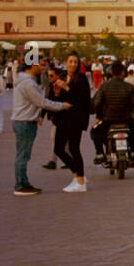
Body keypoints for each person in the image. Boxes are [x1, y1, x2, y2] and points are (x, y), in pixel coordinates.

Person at [12, 58, 72, 195]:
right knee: (23, 155)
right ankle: (20, 185)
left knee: (22, 154)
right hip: (25, 122)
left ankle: (23, 182)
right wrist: (62, 106)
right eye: (40, 64)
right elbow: (42, 102)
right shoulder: (28, 83)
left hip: (21, 120)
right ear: (32, 66)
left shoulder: (24, 80)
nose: (42, 67)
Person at [48, 52, 92, 192]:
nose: (73, 64)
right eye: (70, 61)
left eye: (75, 62)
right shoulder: (61, 76)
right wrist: (56, 92)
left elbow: (81, 99)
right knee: (58, 149)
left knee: (74, 148)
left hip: (76, 119)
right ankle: (78, 175)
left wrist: (66, 87)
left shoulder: (81, 79)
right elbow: (55, 99)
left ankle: (80, 181)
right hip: (62, 118)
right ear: (66, 62)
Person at [90, 61, 134, 163]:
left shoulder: (104, 86)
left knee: (94, 131)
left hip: (108, 120)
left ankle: (100, 153)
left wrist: (99, 116)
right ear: (123, 72)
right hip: (126, 119)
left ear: (111, 72)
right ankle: (133, 152)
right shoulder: (129, 87)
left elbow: (97, 103)